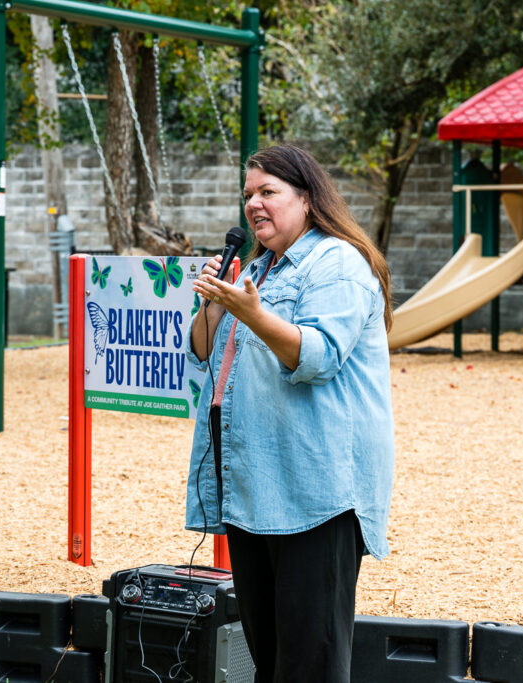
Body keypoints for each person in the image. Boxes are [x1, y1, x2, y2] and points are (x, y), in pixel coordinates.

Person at [185, 144, 395, 683]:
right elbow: (202, 350)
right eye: (248, 194)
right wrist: (215, 300)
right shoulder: (256, 267)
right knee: (272, 660)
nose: (254, 204)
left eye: (268, 192)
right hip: (256, 491)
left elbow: (318, 356)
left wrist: (250, 312)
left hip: (316, 495)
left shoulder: (338, 264)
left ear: (306, 198)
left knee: (311, 666)